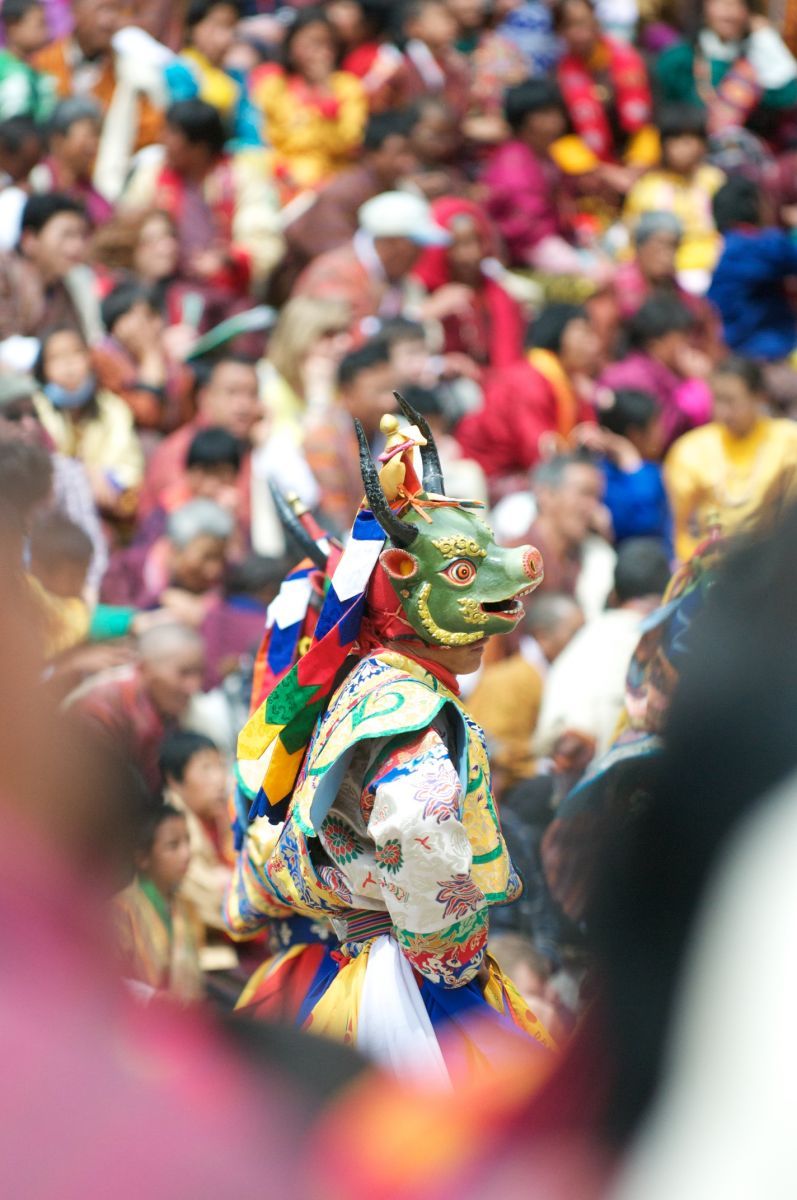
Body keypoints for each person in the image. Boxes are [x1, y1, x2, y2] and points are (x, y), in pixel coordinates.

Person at [229, 400, 553, 1074]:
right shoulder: (402, 702)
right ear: (405, 588)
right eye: (465, 572)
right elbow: (419, 828)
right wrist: (453, 955)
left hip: (355, 958)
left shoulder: (363, 681)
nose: (508, 569)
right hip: (407, 977)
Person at [122, 100, 284, 304]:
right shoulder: (152, 175)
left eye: (171, 134)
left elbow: (263, 241)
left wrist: (225, 260)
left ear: (199, 147)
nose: (162, 139)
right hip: (160, 290)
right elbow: (126, 231)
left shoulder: (243, 177)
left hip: (229, 293)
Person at [535, 537, 671, 756]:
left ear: (614, 596)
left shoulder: (582, 644)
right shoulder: (673, 645)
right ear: (669, 595)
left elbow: (555, 746)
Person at [664, 357, 797, 561]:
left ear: (759, 398)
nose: (722, 411)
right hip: (711, 570)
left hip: (775, 566)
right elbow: (679, 529)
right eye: (717, 399)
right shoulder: (691, 449)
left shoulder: (788, 441)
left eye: (731, 400)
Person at [455, 304, 601, 482]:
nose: (594, 344)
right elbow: (536, 452)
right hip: (493, 476)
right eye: (584, 333)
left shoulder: (566, 380)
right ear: (558, 332)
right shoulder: (529, 381)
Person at [482, 78, 606, 276]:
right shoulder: (513, 163)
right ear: (524, 119)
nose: (556, 120)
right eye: (546, 113)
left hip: (554, 244)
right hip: (526, 259)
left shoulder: (545, 155)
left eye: (557, 112)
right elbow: (526, 232)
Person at [0, 373, 108, 594]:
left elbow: (92, 548)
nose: (29, 424)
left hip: (61, 598)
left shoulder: (65, 472)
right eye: (13, 415)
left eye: (35, 414)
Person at [291, 190, 450, 339]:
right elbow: (338, 341)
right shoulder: (336, 274)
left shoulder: (399, 279)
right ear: (393, 243)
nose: (422, 254)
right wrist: (415, 316)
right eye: (418, 245)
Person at [66, 622, 205, 792]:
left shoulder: (173, 709)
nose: (194, 686)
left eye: (199, 672)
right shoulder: (102, 707)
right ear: (145, 668)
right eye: (184, 673)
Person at [467, 593, 585, 786]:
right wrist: (539, 764)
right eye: (575, 634)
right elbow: (493, 749)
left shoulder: (548, 674)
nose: (582, 644)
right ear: (543, 635)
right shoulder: (512, 679)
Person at [249, 7, 368, 197]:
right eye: (313, 43)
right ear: (292, 46)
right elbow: (261, 139)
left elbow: (349, 142)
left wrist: (326, 95)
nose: (323, 53)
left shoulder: (347, 87)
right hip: (282, 181)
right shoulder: (274, 86)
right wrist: (280, 171)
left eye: (329, 45)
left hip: (334, 183)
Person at [284, 109, 417, 272]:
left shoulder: (398, 188)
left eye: (412, 154)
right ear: (371, 154)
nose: (408, 163)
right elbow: (331, 255)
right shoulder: (343, 192)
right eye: (400, 154)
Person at [33, 326, 144, 520]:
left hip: (106, 506)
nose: (68, 365)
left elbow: (129, 467)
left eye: (76, 353)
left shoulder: (113, 408)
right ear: (43, 368)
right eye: (56, 358)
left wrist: (105, 480)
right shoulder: (34, 411)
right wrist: (83, 475)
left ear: (90, 359)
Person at [138, 354, 261, 522]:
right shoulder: (179, 452)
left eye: (252, 394)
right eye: (232, 393)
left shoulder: (255, 446)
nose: (244, 405)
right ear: (205, 398)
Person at [411, 196, 525, 371]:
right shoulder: (418, 289)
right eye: (457, 245)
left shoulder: (500, 294)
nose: (470, 254)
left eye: (476, 241)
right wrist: (428, 312)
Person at [655, 0, 797, 140]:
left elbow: (787, 96)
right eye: (721, 3)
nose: (729, 12)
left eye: (738, 3)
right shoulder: (680, 59)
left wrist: (764, 37)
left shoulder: (755, 58)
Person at [33, 0, 163, 152]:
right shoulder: (45, 63)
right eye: (102, 10)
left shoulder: (130, 70)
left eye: (115, 11)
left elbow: (151, 130)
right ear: (76, 13)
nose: (108, 21)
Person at [113, 803, 204, 1003]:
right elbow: (107, 980)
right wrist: (151, 998)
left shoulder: (187, 908)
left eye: (187, 841)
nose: (186, 853)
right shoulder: (119, 911)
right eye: (173, 845)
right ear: (143, 858)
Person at [303, 339, 396, 532]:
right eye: (378, 392)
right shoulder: (323, 441)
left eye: (391, 390)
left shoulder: (396, 432)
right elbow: (336, 521)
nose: (389, 402)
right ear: (347, 392)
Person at [553, 0, 657, 169]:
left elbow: (651, 120)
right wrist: (602, 172)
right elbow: (561, 137)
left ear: (596, 21)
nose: (579, 33)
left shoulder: (635, 60)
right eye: (569, 25)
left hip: (638, 165)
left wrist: (639, 163)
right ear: (559, 32)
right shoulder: (556, 78)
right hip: (592, 173)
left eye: (583, 22)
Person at [600, 295, 713, 449]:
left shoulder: (664, 373)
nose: (688, 346)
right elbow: (664, 435)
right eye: (682, 338)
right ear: (656, 343)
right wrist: (697, 384)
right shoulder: (637, 378)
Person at [707, 175, 797, 361]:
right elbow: (788, 253)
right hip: (760, 348)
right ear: (754, 206)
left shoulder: (728, 243)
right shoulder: (752, 245)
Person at [521, 452, 616, 619]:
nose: (594, 508)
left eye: (598, 498)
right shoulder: (512, 561)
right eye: (584, 493)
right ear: (546, 494)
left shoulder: (594, 559)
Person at [100, 497, 234, 613]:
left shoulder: (226, 584)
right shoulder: (124, 569)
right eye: (207, 557)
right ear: (175, 549)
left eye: (220, 558)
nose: (214, 570)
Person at [94, 281, 194, 434]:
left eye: (157, 317)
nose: (157, 325)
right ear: (120, 323)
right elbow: (145, 415)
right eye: (147, 317)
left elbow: (183, 416)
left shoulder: (170, 361)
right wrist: (150, 357)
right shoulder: (102, 360)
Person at [159, 730, 234, 935]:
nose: (220, 779)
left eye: (220, 766)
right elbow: (202, 897)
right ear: (175, 780)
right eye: (206, 768)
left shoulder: (220, 817)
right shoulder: (167, 829)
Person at [0, 192, 100, 343]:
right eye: (67, 235)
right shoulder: (5, 272)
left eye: (81, 236)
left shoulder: (64, 288)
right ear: (30, 240)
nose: (78, 246)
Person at [164, 0, 260, 150]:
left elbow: (249, 132)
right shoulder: (181, 71)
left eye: (232, 28)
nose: (227, 37)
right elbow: (188, 128)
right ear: (193, 27)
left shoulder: (236, 77)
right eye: (219, 26)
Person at [135, 426, 242, 548]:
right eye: (205, 473)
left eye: (221, 475)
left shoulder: (234, 512)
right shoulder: (168, 509)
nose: (211, 484)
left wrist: (229, 521)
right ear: (189, 472)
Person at [597, 388, 671, 551]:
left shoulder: (652, 470)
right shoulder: (603, 477)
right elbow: (646, 521)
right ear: (635, 434)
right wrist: (632, 465)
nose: (662, 432)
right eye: (656, 426)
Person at [29, 97, 113, 228]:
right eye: (87, 137)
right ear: (58, 140)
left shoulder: (91, 191)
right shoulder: (37, 180)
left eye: (97, 136)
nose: (94, 145)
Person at [0, 0, 56, 122]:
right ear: (13, 27)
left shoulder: (39, 70)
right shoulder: (2, 68)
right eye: (40, 25)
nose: (47, 32)